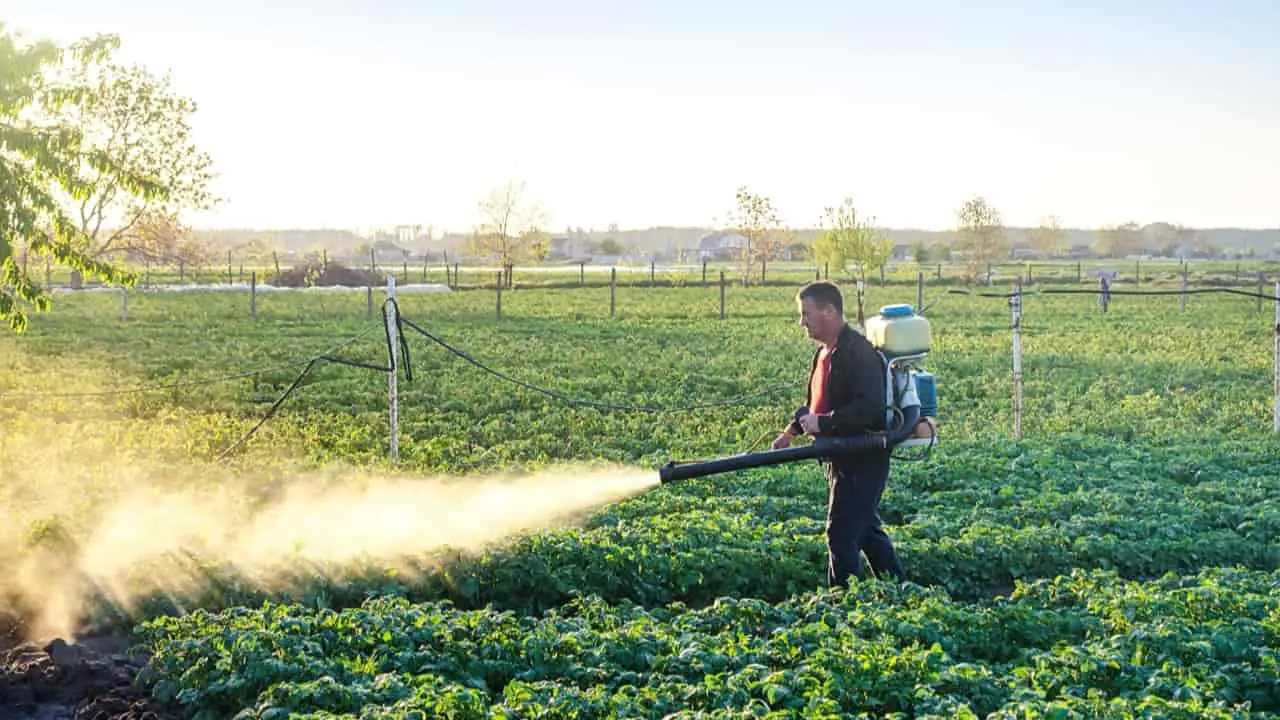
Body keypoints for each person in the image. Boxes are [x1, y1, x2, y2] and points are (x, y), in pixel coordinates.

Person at [773, 280, 906, 588]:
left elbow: (869, 407)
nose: (802, 322)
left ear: (829, 312)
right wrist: (792, 431)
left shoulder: (858, 352)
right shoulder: (823, 354)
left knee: (841, 533)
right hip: (839, 457)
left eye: (806, 314)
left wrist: (825, 423)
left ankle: (843, 602)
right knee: (867, 530)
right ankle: (900, 589)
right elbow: (815, 406)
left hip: (863, 457)